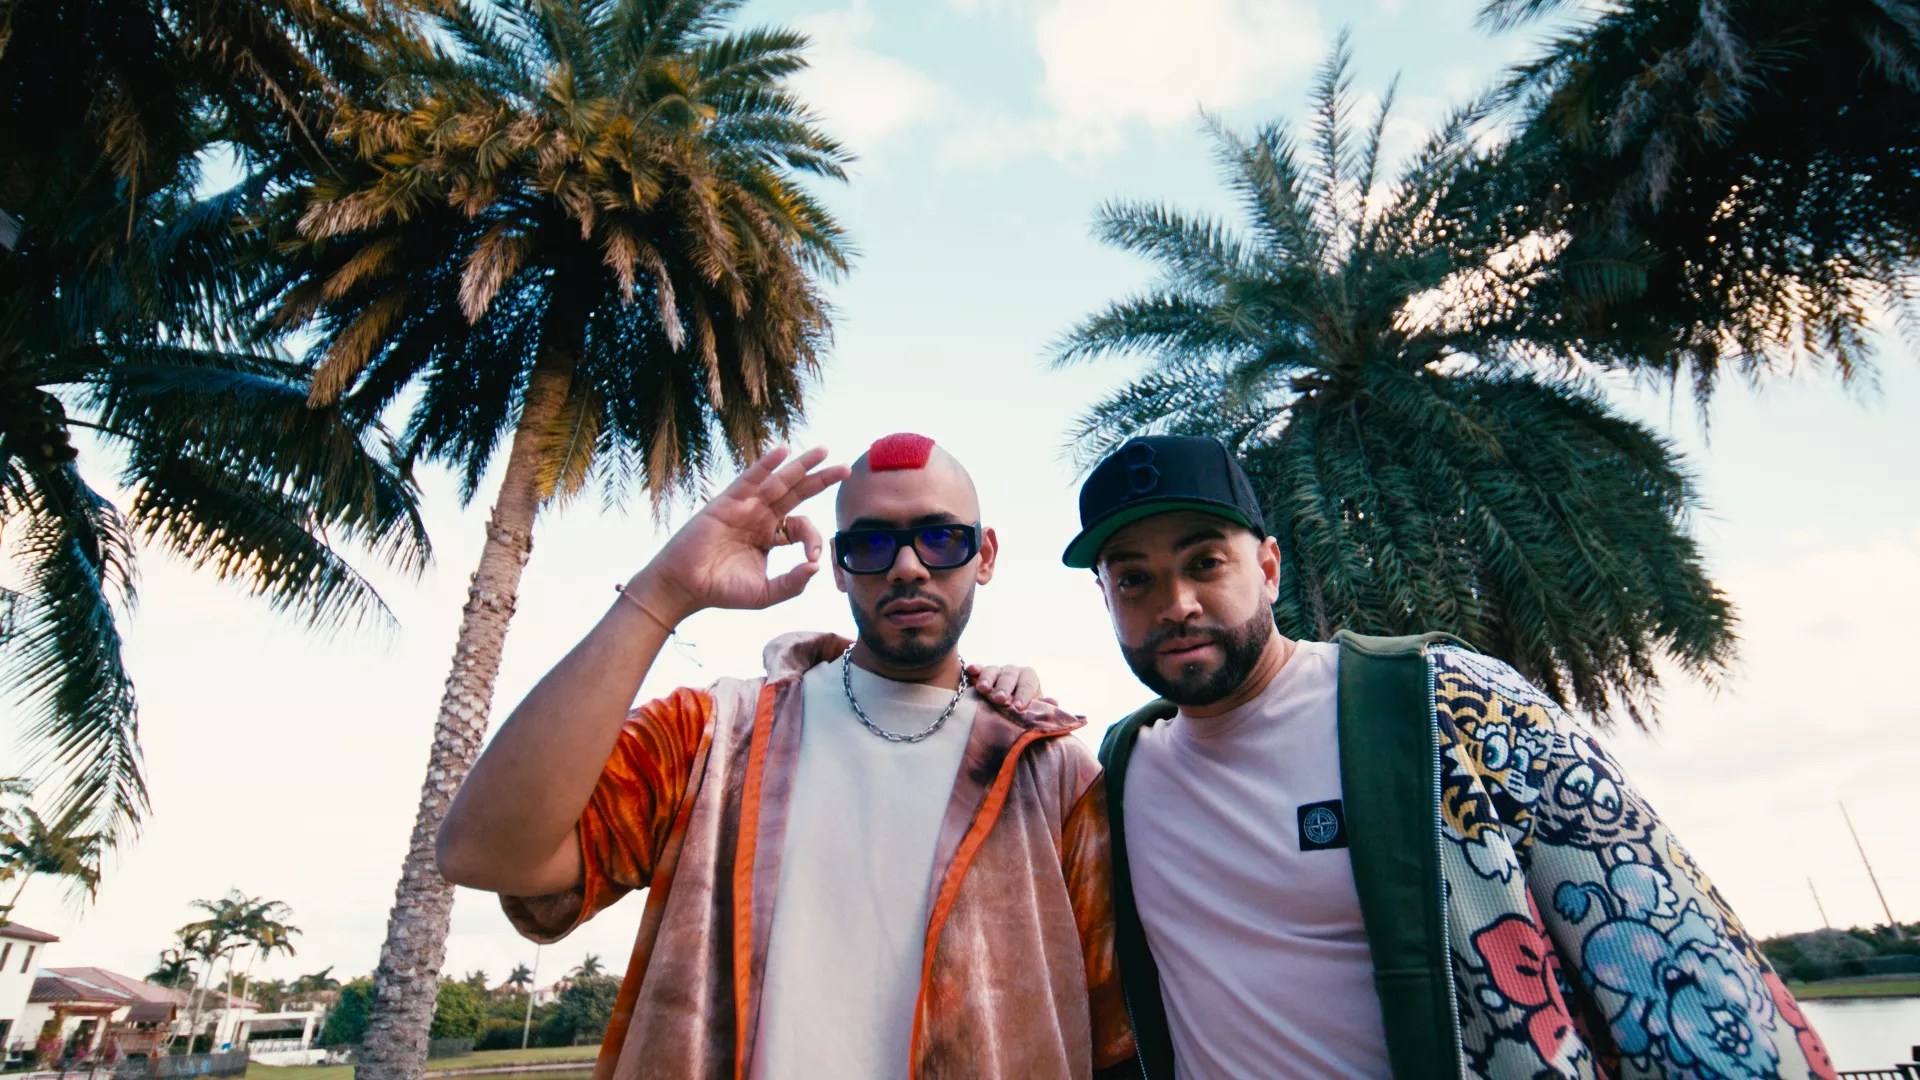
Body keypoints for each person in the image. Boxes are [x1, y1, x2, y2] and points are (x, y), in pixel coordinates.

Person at [1065, 434, 1835, 1080]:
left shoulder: (1450, 702)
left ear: (1268, 568)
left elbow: (1664, 943)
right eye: (1134, 579)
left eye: (1205, 563)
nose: (1176, 604)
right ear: (1106, 599)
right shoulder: (1123, 773)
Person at [438, 434, 1133, 1080]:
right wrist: (664, 591)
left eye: (941, 537)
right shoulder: (714, 737)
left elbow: (1118, 1039)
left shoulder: (1053, 775)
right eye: (871, 544)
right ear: (839, 568)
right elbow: (483, 852)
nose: (908, 566)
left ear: (985, 555)